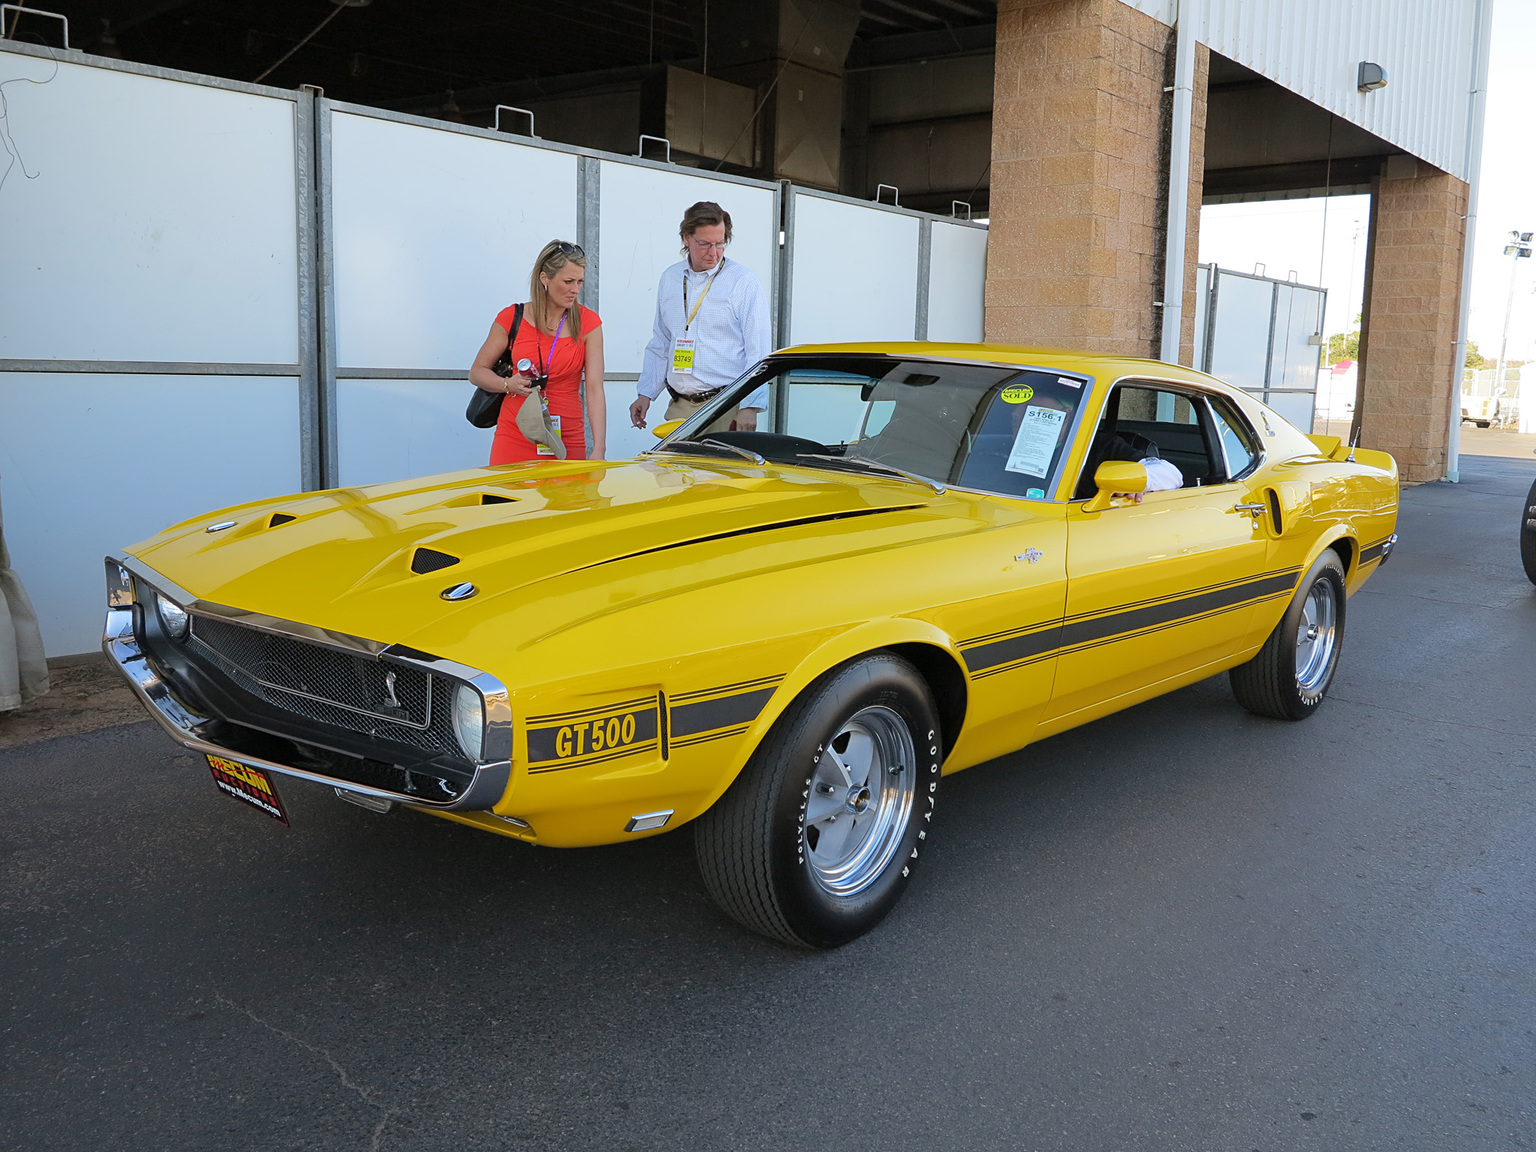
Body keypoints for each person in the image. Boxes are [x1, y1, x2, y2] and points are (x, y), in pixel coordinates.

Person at [629, 201, 772, 435]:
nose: (713, 253)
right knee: (672, 472)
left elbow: (759, 350)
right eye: (705, 244)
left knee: (719, 473)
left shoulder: (743, 282)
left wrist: (750, 406)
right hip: (680, 406)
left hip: (726, 405)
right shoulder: (670, 278)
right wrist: (645, 393)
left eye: (720, 244)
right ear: (687, 238)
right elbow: (662, 342)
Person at [470, 240, 605, 464]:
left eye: (580, 282)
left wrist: (599, 448)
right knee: (509, 498)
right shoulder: (512, 316)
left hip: (565, 436)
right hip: (516, 431)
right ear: (545, 278)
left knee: (567, 499)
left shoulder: (589, 322)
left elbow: (594, 389)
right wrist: (508, 384)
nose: (576, 290)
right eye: (568, 281)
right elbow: (476, 372)